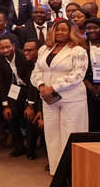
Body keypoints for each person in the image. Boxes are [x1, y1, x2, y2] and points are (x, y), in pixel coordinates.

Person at [35, 20, 88, 175]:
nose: (60, 33)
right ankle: (57, 171)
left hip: (72, 98)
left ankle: (72, 172)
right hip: (49, 99)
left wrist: (53, 87)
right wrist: (41, 86)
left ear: (71, 32)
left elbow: (78, 75)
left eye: (64, 30)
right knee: (52, 135)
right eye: (57, 30)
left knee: (70, 134)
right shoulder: (44, 49)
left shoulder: (78, 50)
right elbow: (37, 71)